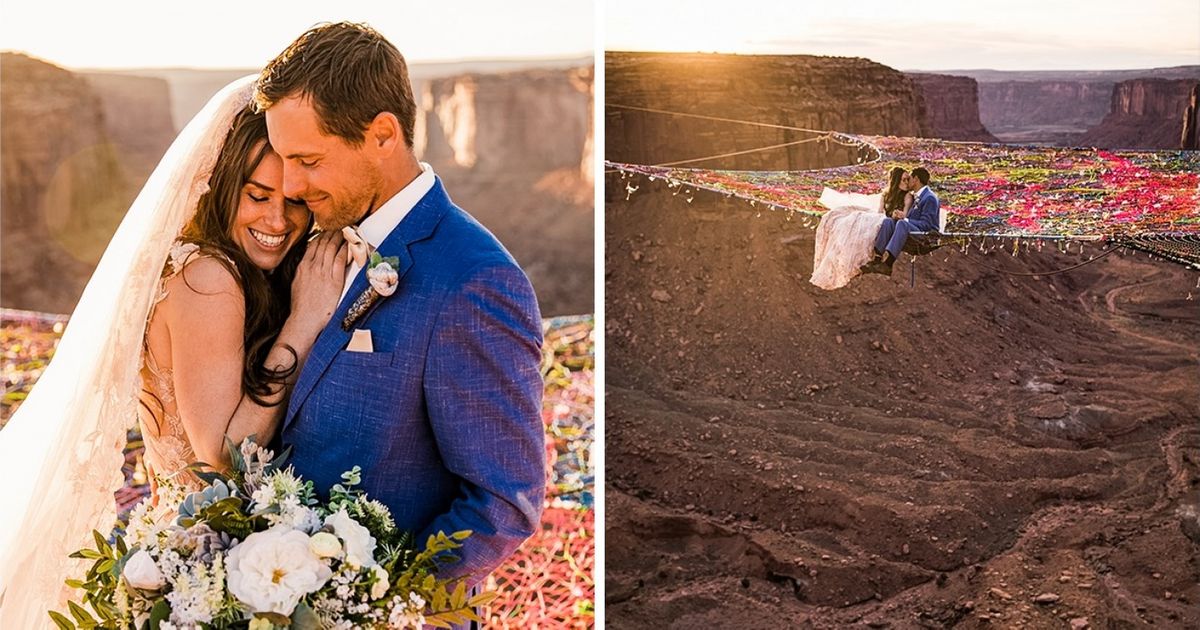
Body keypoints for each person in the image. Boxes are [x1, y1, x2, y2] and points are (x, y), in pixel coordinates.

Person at [0, 78, 347, 625]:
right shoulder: (209, 278)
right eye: (257, 196)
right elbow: (222, 457)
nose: (278, 221)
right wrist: (303, 324)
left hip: (196, 561)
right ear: (222, 184)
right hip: (206, 576)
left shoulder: (219, 270)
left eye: (295, 201)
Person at [252, 21, 546, 609]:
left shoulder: (475, 281)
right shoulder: (312, 244)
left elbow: (503, 502)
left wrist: (374, 610)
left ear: (382, 134)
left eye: (307, 159)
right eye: (283, 159)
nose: (289, 185)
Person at [810, 166, 914, 289]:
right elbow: (880, 212)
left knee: (880, 222)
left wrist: (899, 215)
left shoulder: (907, 196)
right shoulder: (886, 194)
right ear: (896, 180)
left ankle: (874, 258)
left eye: (908, 179)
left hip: (895, 222)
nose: (907, 183)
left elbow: (906, 216)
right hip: (884, 218)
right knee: (853, 219)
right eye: (904, 179)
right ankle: (870, 257)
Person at [861, 166, 940, 277]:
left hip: (925, 235)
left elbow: (927, 225)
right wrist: (900, 217)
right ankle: (877, 259)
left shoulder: (929, 198)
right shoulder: (918, 196)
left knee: (902, 223)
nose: (908, 182)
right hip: (914, 229)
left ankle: (888, 264)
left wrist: (906, 220)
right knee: (888, 221)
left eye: (910, 179)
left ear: (916, 179)